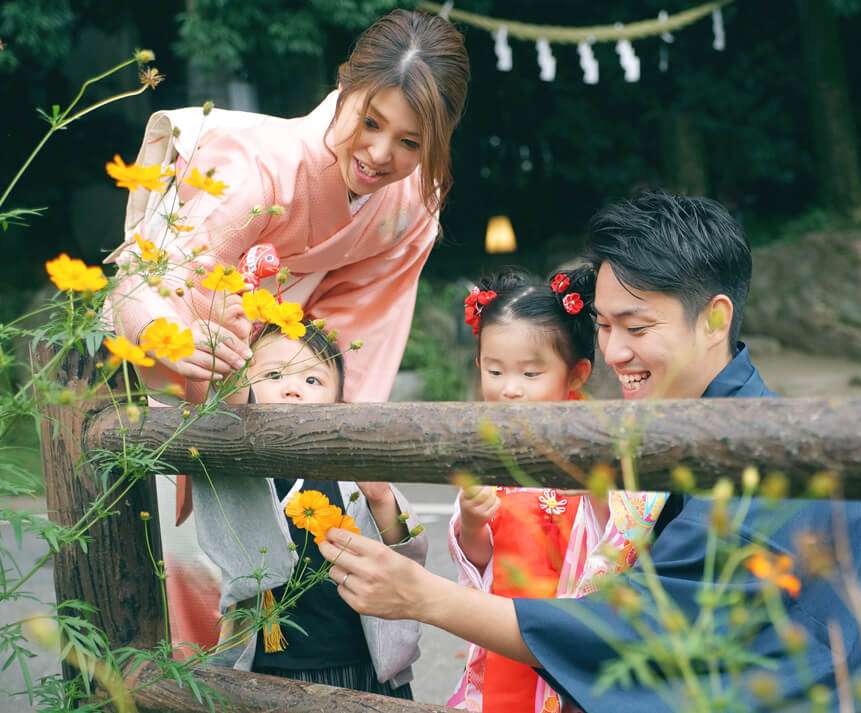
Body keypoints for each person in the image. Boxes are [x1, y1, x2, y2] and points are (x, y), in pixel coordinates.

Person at [318, 192, 861, 712]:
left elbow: (629, 635)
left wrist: (425, 597)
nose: (615, 353)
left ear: (715, 320)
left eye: (636, 327)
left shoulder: (758, 460)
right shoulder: (704, 422)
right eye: (604, 327)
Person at [104, 9, 469, 649]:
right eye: (371, 122)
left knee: (295, 597)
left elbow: (361, 330)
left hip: (287, 383)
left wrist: (326, 422)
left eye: (411, 143)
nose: (381, 155)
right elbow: (146, 274)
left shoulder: (413, 206)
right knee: (185, 594)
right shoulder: (262, 164)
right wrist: (176, 337)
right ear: (344, 88)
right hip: (188, 363)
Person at [446, 266, 668, 711]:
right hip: (507, 622)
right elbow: (479, 559)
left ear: (576, 373)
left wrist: (601, 493)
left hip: (574, 623)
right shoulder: (485, 447)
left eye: (530, 374)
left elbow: (625, 534)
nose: (510, 390)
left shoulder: (600, 442)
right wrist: (472, 521)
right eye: (495, 370)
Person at [191, 318, 426, 696]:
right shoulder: (243, 469)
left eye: (312, 380)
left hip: (359, 660)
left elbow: (406, 546)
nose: (293, 390)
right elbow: (228, 405)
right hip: (270, 663)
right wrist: (231, 344)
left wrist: (381, 499)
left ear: (339, 403)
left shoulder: (349, 468)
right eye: (273, 374)